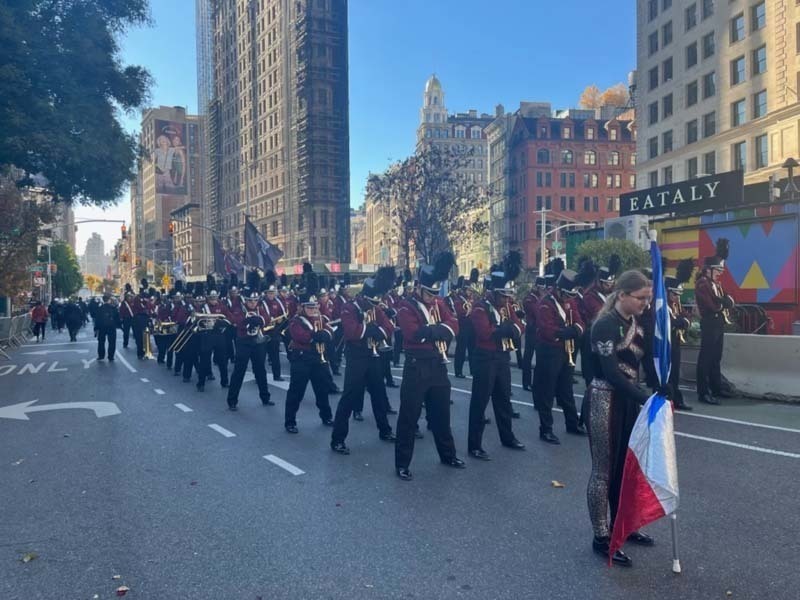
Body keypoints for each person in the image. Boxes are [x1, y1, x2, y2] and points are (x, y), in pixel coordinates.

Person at [585, 270, 656, 567]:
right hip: (604, 400)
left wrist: (660, 388)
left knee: (627, 468)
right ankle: (601, 536)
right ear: (623, 294)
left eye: (648, 299)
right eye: (640, 298)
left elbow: (645, 360)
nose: (645, 303)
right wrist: (646, 398)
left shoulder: (635, 322)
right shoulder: (604, 325)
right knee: (604, 470)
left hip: (627, 402)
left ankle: (624, 525)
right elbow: (612, 373)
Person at [394, 252, 465, 481]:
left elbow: (454, 325)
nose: (434, 298)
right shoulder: (406, 307)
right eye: (430, 293)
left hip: (437, 364)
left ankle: (448, 455)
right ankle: (402, 464)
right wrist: (439, 331)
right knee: (409, 417)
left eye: (436, 293)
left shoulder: (439, 302)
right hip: (416, 367)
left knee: (441, 415)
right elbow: (414, 334)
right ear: (418, 288)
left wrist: (434, 331)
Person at [330, 268, 398, 455]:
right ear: (364, 297)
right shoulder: (349, 308)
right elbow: (351, 332)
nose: (375, 305)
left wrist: (379, 332)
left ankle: (385, 430)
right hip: (356, 356)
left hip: (373, 354)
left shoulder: (374, 307)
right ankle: (337, 439)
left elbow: (389, 326)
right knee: (349, 397)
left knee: (379, 394)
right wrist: (370, 330)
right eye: (372, 301)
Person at [467, 255, 526, 462]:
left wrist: (509, 329)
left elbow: (520, 326)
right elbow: (485, 332)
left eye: (509, 296)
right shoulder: (480, 307)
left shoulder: (508, 307)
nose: (507, 300)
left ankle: (507, 437)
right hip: (485, 357)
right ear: (494, 293)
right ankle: (474, 445)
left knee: (503, 400)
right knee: (480, 402)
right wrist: (506, 329)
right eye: (503, 296)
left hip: (502, 357)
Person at [533, 261, 587, 444]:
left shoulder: (570, 302)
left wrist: (574, 330)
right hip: (549, 351)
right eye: (567, 295)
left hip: (565, 350)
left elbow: (580, 323)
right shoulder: (545, 304)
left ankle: (572, 423)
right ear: (559, 290)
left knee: (566, 390)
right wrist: (568, 332)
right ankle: (545, 429)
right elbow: (548, 330)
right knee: (547, 392)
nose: (569, 299)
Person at [284, 278, 335, 433]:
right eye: (310, 307)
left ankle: (326, 416)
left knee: (322, 390)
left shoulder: (319, 319)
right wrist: (316, 336)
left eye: (315, 306)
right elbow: (300, 336)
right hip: (301, 359)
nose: (313, 309)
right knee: (296, 391)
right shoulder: (296, 321)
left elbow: (330, 330)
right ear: (302, 308)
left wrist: (326, 335)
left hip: (317, 359)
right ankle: (290, 421)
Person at [576, 256, 620, 427]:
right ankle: (587, 418)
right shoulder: (590, 296)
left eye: (612, 283)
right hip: (590, 340)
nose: (611, 286)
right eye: (607, 284)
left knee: (603, 380)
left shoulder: (609, 294)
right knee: (592, 381)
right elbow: (600, 315)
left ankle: (588, 418)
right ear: (600, 283)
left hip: (605, 339)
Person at [695, 238, 735, 405]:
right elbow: (712, 305)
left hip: (718, 323)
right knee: (706, 358)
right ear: (708, 270)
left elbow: (727, 299)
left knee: (716, 357)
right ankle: (703, 392)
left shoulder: (715, 284)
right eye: (718, 269)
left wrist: (726, 301)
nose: (720, 272)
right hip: (710, 322)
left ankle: (716, 387)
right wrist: (723, 302)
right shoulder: (703, 283)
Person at [226, 287, 273, 411]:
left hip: (258, 342)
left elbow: (267, 319)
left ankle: (265, 397)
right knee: (239, 371)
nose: (253, 303)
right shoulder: (239, 309)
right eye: (250, 301)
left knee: (260, 371)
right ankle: (232, 400)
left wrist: (259, 320)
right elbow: (235, 320)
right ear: (245, 300)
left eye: (255, 300)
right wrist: (248, 320)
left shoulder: (260, 308)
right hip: (244, 342)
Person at [665, 260, 695, 411]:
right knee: (667, 374)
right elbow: (672, 322)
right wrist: (681, 321)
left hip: (675, 341)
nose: (677, 298)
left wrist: (683, 321)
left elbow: (685, 317)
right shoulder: (662, 306)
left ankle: (675, 398)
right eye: (674, 294)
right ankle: (668, 398)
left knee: (675, 372)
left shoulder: (676, 304)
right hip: (665, 343)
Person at [262, 272, 288, 381]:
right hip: (263, 332)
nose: (271, 295)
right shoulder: (261, 302)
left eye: (273, 293)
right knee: (260, 356)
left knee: (275, 356)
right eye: (269, 293)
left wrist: (281, 321)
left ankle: (277, 375)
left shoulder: (278, 302)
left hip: (274, 332)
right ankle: (258, 374)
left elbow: (284, 315)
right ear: (266, 293)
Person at [520, 276, 545, 391]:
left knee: (540, 357)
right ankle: (526, 382)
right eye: (540, 287)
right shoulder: (529, 299)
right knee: (528, 357)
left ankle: (538, 382)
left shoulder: (541, 298)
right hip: (532, 329)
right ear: (535, 287)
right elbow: (537, 312)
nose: (542, 289)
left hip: (540, 330)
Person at [453, 269, 478, 378]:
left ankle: (473, 370)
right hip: (462, 327)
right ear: (464, 289)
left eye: (471, 290)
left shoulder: (471, 300)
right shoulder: (459, 300)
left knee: (473, 350)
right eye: (468, 290)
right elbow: (460, 312)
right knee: (461, 350)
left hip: (471, 327)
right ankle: (458, 371)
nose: (470, 292)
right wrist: (469, 310)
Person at [95, 294, 121, 361]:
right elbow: (117, 318)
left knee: (101, 342)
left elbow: (97, 319)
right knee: (112, 342)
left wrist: (96, 328)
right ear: (109, 300)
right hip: (111, 326)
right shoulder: (113, 308)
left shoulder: (100, 308)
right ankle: (111, 356)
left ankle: (101, 356)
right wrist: (118, 325)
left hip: (102, 327)